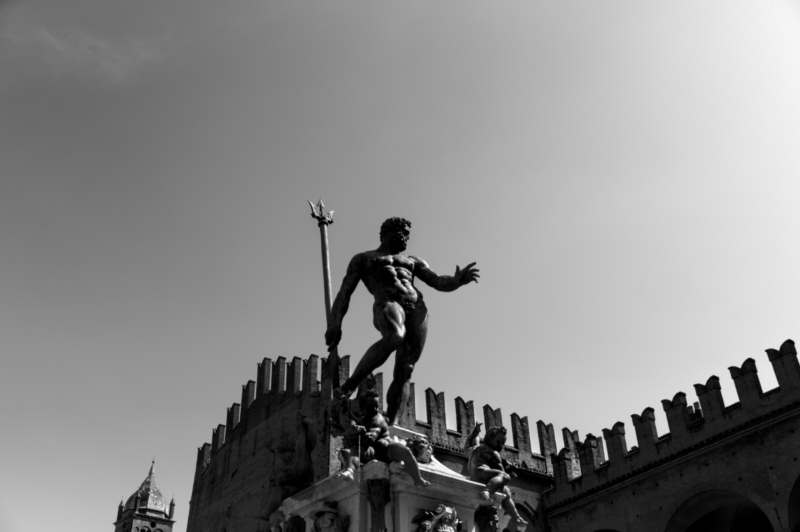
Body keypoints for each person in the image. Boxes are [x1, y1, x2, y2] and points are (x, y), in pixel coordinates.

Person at [325, 217, 479, 425]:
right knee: (395, 336)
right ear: (387, 232)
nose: (406, 237)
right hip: (387, 302)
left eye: (408, 234)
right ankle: (350, 385)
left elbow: (437, 281)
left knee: (406, 368)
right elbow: (345, 292)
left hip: (417, 308)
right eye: (403, 232)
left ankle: (393, 425)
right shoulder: (363, 259)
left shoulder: (413, 261)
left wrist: (457, 281)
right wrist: (336, 323)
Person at [337, 389, 431, 487]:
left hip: (387, 450)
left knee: (405, 451)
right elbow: (347, 424)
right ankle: (349, 471)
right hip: (374, 452)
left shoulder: (377, 419)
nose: (376, 409)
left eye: (377, 406)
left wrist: (357, 433)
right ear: (363, 407)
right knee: (355, 451)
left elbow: (370, 438)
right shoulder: (364, 419)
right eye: (371, 406)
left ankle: (417, 478)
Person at [466, 425, 527, 528]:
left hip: (475, 476)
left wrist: (474, 434)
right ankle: (487, 490)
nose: (500, 445)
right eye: (498, 442)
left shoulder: (474, 448)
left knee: (506, 491)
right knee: (505, 477)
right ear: (489, 439)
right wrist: (508, 472)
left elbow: (467, 446)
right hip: (482, 475)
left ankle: (516, 516)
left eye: (502, 443)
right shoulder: (493, 452)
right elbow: (501, 472)